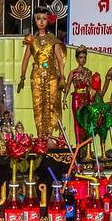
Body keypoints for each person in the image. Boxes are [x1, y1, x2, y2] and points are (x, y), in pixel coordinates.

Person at [17, 10, 65, 142]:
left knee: (51, 104)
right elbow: (26, 59)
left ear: (48, 20)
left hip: (51, 75)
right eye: (39, 19)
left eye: (44, 18)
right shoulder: (31, 40)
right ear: (35, 21)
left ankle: (49, 135)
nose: (42, 21)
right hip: (37, 75)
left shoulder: (52, 39)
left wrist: (62, 77)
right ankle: (40, 136)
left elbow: (59, 59)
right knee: (38, 105)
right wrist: (22, 77)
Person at [66, 46, 93, 146]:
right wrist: (64, 99)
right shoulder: (73, 73)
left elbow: (91, 87)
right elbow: (68, 86)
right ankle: (78, 144)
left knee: (86, 121)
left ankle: (86, 146)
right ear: (77, 59)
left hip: (86, 98)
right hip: (77, 97)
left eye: (84, 57)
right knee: (77, 121)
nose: (83, 60)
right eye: (81, 57)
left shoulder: (89, 72)